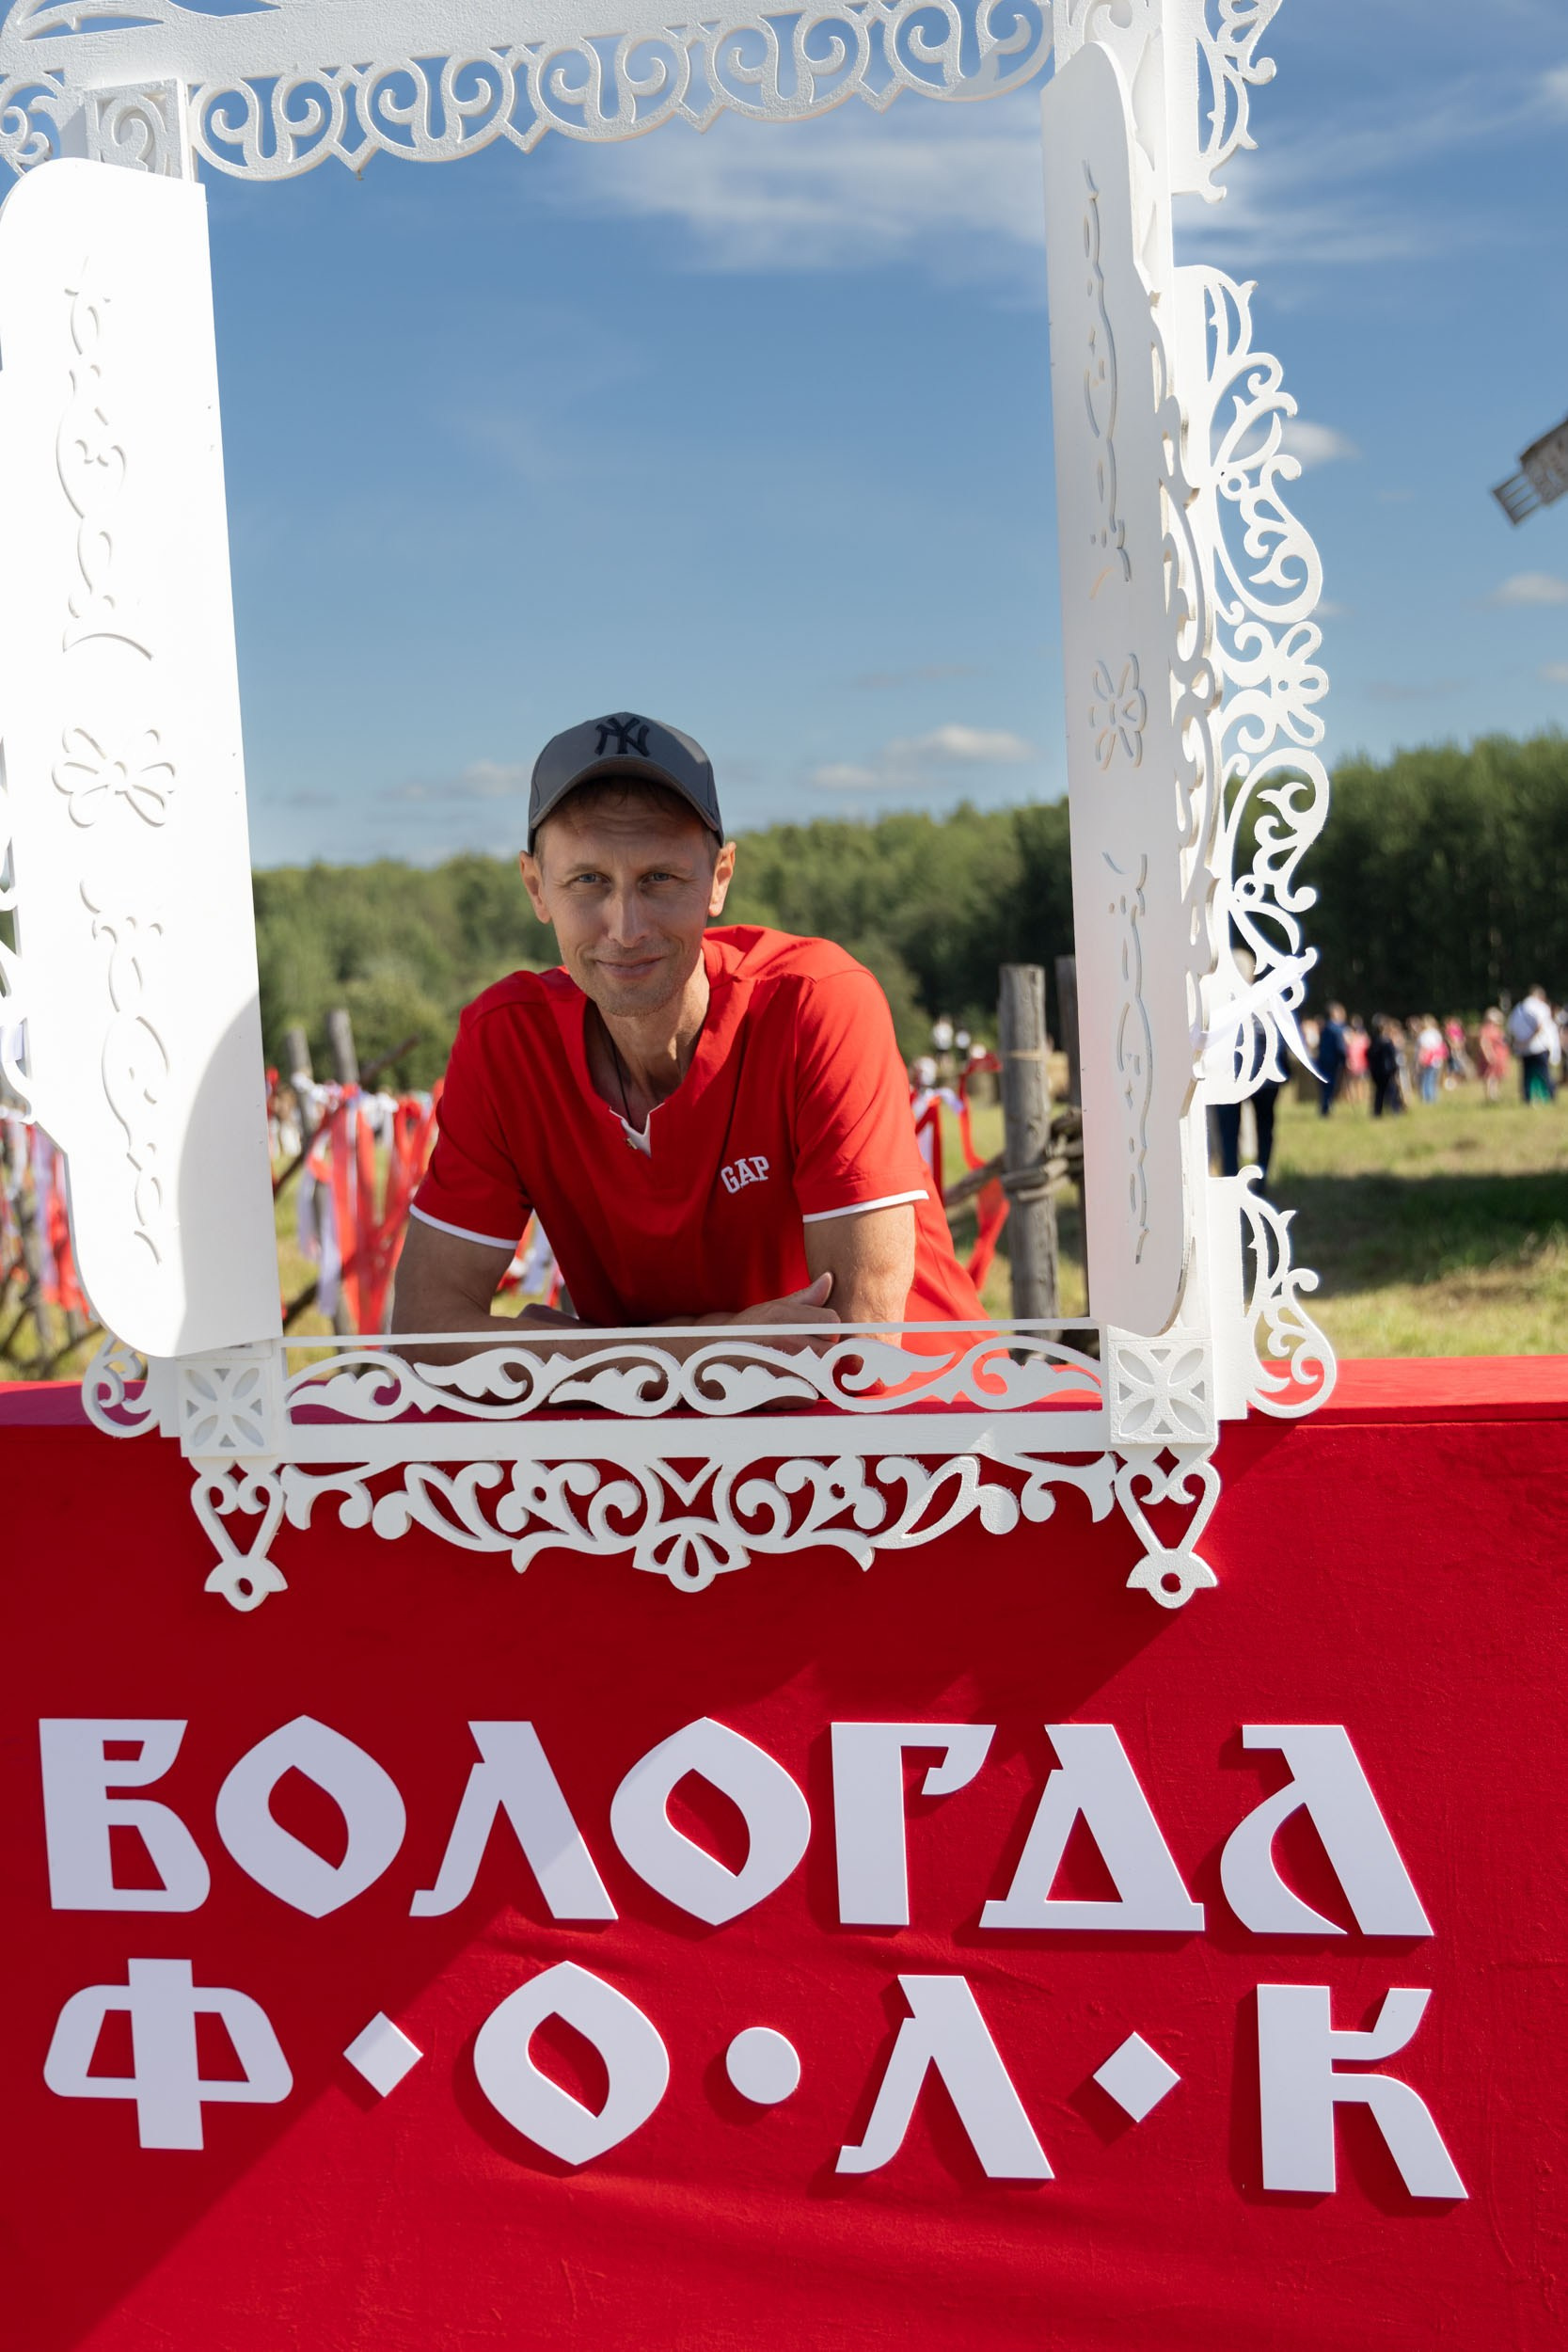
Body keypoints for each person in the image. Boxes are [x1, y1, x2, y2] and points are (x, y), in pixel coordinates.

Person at [392, 712, 986, 1349]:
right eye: (588, 880)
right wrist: (699, 1343)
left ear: (719, 879)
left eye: (660, 879)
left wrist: (586, 1353)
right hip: (658, 1410)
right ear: (537, 888)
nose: (626, 928)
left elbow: (860, 1340)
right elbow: (425, 1332)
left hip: (934, 1401)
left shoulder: (815, 1001)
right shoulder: (506, 1040)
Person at [1506, 986, 1558, 1104]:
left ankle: (1527, 1098)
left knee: (1527, 1075)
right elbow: (1540, 1026)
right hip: (1539, 1046)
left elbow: (1511, 1028)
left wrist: (1521, 1041)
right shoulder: (1540, 1007)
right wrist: (1529, 1039)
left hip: (1523, 1048)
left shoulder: (1517, 1009)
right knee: (1544, 1073)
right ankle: (1551, 1096)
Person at [1316, 1002, 1347, 1115]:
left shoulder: (1325, 1028)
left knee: (1325, 1086)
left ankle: (1325, 1107)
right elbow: (1340, 1047)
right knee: (1331, 1086)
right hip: (1333, 1062)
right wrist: (1344, 1060)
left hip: (1322, 1060)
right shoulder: (1337, 1029)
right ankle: (1326, 1108)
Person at [1368, 1016, 1402, 1118]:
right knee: (1392, 1090)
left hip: (1376, 1070)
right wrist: (1394, 1068)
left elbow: (1369, 1055)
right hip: (1387, 1070)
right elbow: (1392, 1055)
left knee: (1379, 1092)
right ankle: (1395, 1110)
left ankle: (1377, 1111)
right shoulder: (1386, 1041)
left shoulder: (1373, 1041)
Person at [1477, 1009, 1510, 1103]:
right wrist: (1488, 1054)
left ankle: (1495, 1095)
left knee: (1497, 1076)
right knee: (1490, 1076)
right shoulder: (1486, 1029)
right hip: (1492, 1056)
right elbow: (1484, 1042)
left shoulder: (1498, 1029)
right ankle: (1490, 1096)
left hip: (1499, 1056)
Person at [1415, 1016, 1445, 1106]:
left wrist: (1419, 1061)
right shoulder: (1436, 1033)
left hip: (1427, 1060)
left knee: (1425, 1079)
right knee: (1433, 1080)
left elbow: (1423, 1048)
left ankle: (1427, 1099)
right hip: (1436, 1059)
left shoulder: (1424, 1035)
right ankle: (1433, 1097)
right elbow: (1440, 1046)